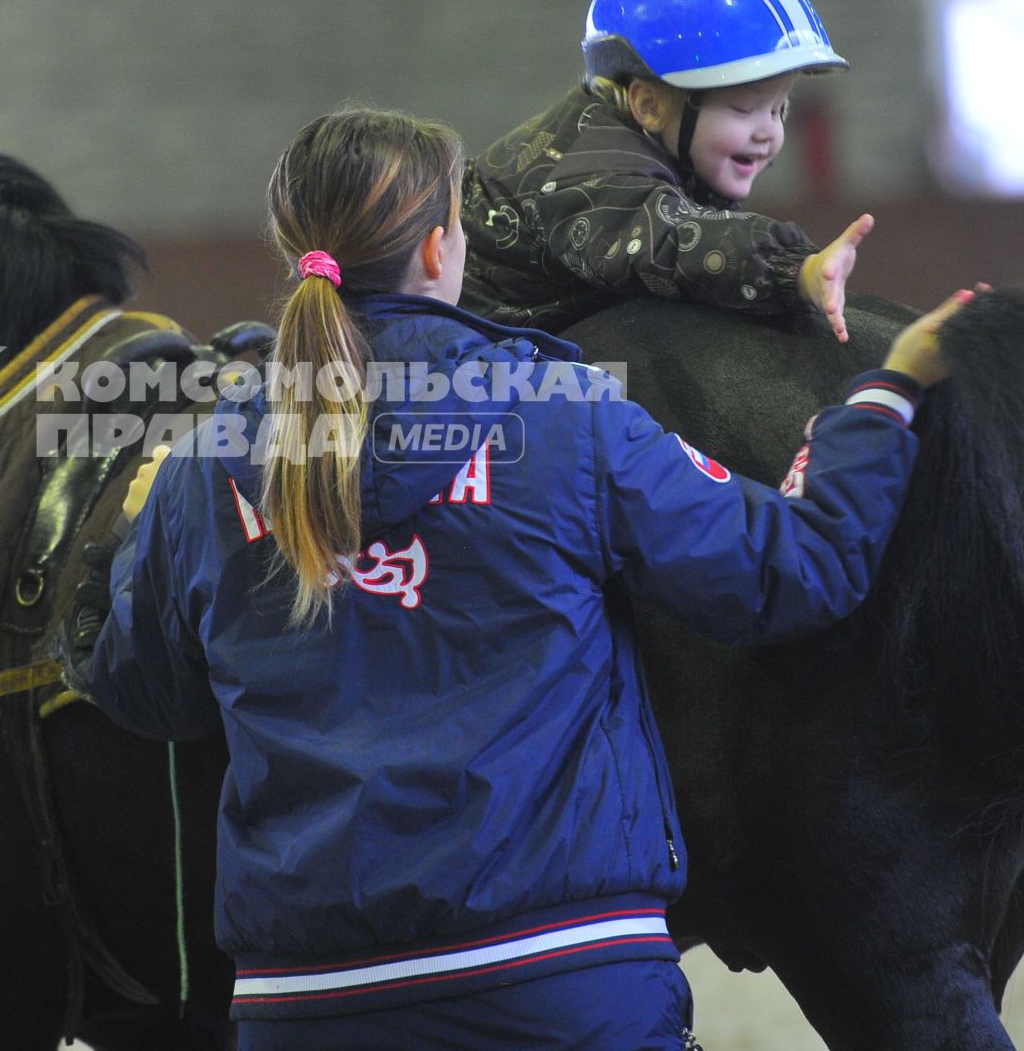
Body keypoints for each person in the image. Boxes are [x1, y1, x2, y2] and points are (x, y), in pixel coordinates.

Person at [65, 109, 970, 1049]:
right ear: (436, 249)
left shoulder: (203, 466)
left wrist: (122, 544)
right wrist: (884, 394)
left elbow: (141, 693)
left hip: (308, 1002)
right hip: (559, 981)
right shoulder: (565, 416)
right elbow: (793, 571)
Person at [462, 0, 874, 342]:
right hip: (458, 353)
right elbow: (670, 241)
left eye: (778, 110)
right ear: (649, 105)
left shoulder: (657, 145)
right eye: (744, 109)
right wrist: (796, 269)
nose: (768, 131)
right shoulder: (592, 176)